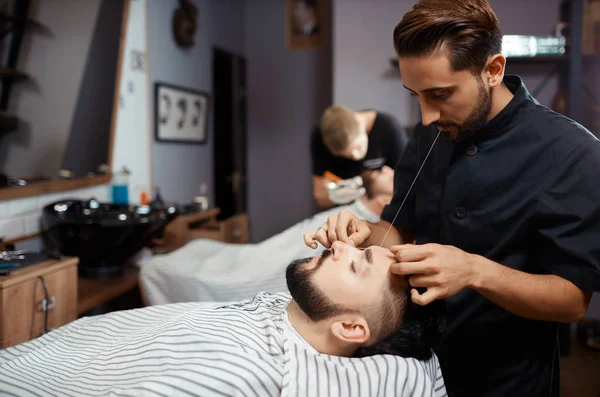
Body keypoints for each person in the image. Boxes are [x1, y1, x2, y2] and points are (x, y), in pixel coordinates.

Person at [303, 1, 600, 396]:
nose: (425, 117)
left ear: (493, 70)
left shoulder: (572, 153)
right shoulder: (432, 131)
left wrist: (475, 271)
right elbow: (400, 231)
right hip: (418, 366)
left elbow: (571, 300)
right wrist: (365, 231)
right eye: (416, 95)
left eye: (440, 94)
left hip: (507, 377)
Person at [1, 246, 447, 397]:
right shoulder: (284, 310)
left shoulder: (245, 372)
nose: (341, 247)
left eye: (356, 265)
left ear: (351, 329)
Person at [141, 168, 395, 305]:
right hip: (265, 252)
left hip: (266, 265)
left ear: (385, 202)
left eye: (391, 175)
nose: (385, 168)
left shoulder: (360, 232)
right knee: (200, 247)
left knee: (162, 267)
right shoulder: (350, 210)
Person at [311, 105, 407, 209]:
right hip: (342, 210)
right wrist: (337, 195)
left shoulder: (389, 129)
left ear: (362, 125)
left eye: (358, 147)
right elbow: (320, 197)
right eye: (346, 155)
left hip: (380, 210)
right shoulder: (321, 136)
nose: (356, 157)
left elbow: (407, 187)